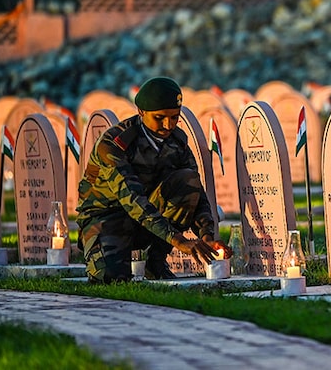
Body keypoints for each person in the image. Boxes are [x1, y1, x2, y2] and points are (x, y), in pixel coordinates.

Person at [76, 76, 231, 283]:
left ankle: (156, 262)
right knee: (110, 278)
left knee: (187, 180)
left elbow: (197, 194)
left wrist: (207, 237)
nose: (168, 125)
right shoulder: (115, 144)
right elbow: (133, 200)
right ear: (141, 112)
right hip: (108, 218)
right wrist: (179, 241)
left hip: (149, 217)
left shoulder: (178, 142)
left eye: (174, 117)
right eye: (159, 118)